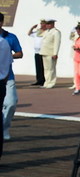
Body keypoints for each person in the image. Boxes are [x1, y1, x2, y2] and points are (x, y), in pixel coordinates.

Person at [0, 12, 23, 146]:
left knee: (11, 102)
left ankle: (4, 127)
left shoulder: (10, 37)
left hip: (7, 77)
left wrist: (7, 56)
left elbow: (19, 53)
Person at [39, 19, 61, 89]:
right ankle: (47, 82)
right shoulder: (46, 31)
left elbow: (57, 43)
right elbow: (38, 34)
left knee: (51, 69)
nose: (47, 25)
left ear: (52, 24)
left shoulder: (56, 32)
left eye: (48, 24)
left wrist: (55, 53)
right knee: (46, 69)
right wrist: (41, 27)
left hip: (51, 52)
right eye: (46, 24)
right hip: (44, 52)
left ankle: (51, 82)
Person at [27, 20, 46, 86]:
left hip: (43, 51)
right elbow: (29, 34)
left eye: (43, 23)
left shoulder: (47, 32)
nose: (41, 25)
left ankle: (44, 80)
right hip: (37, 52)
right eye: (41, 23)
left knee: (43, 67)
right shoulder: (38, 31)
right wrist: (32, 28)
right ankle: (39, 80)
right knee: (38, 67)